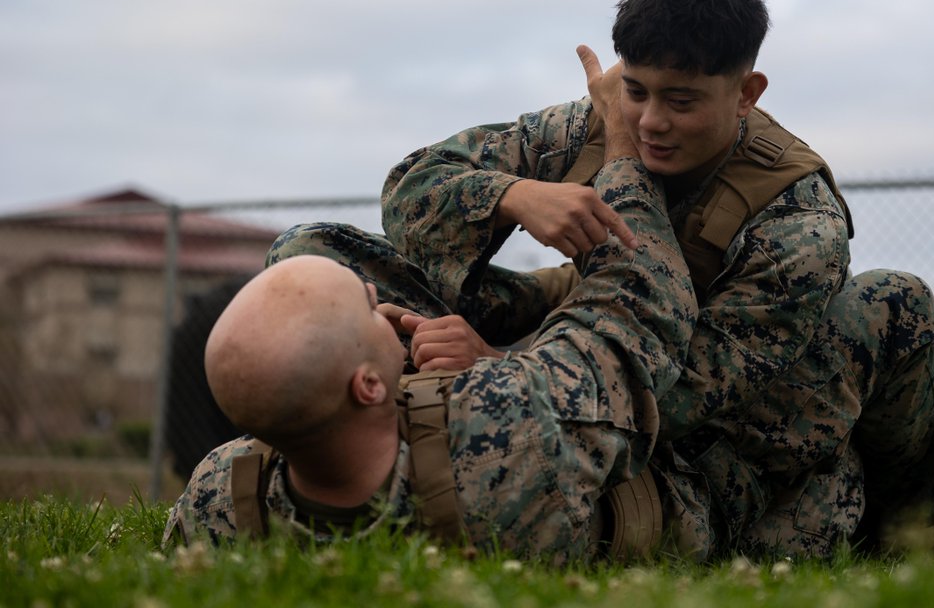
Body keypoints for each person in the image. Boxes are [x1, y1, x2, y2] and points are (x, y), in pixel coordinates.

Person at [267, 0, 934, 556]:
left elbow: (686, 393)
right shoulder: (580, 128)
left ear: (746, 93)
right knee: (311, 259)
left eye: (682, 100)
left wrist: (496, 362)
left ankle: (916, 535)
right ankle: (354, 450)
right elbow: (409, 191)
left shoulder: (800, 222)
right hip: (569, 323)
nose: (651, 121)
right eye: (635, 91)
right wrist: (510, 195)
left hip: (697, 411)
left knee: (897, 298)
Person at [164, 74, 719, 559]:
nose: (382, 304)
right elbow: (638, 306)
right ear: (369, 386)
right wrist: (621, 145)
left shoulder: (218, 498)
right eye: (368, 310)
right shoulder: (507, 433)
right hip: (689, 495)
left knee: (306, 245)